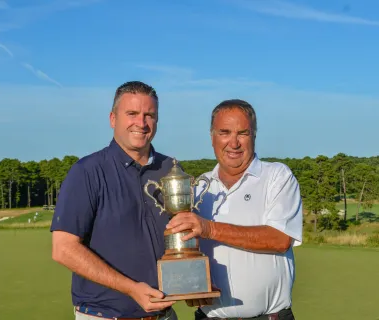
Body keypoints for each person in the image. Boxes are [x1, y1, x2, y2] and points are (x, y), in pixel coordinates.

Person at [50, 81, 178, 320]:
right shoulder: (87, 171)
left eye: (149, 115)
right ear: (112, 119)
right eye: (132, 114)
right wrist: (131, 289)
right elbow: (63, 249)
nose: (141, 123)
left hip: (164, 314)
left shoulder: (170, 169)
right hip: (105, 316)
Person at [167, 99, 303, 320]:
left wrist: (209, 228)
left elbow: (280, 239)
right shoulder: (200, 186)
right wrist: (192, 285)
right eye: (224, 132)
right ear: (212, 137)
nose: (234, 142)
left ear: (254, 136)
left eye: (243, 133)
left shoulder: (277, 176)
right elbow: (192, 252)